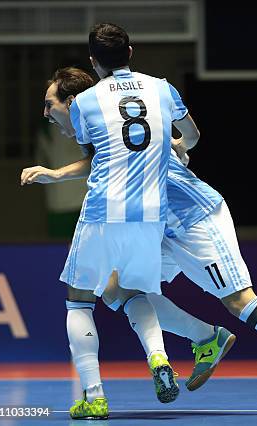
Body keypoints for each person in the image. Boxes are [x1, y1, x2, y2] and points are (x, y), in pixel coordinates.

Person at [23, 59, 257, 415]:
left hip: (195, 219)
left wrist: (179, 144)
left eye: (48, 104)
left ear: (73, 103)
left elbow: (182, 139)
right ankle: (206, 338)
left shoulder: (116, 122)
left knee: (240, 301)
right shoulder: (110, 130)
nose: (45, 113)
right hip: (159, 226)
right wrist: (55, 174)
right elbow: (103, 160)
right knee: (120, 289)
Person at [20, 23, 201, 419]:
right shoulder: (161, 88)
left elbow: (99, 154)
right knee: (133, 292)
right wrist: (178, 150)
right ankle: (158, 359)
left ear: (92, 60)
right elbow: (190, 136)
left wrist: (52, 173)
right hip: (151, 215)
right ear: (131, 52)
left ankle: (95, 395)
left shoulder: (86, 102)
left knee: (79, 301)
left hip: (104, 210)